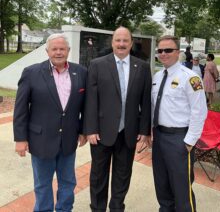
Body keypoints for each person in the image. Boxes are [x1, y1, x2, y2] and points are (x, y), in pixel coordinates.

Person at [13, 33, 87, 212]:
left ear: (68, 51)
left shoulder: (81, 72)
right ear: (47, 51)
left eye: (62, 49)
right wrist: (20, 139)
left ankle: (64, 209)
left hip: (69, 139)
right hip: (41, 140)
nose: (59, 52)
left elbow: (87, 104)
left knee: (68, 182)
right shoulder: (31, 72)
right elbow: (21, 108)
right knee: (43, 184)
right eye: (55, 49)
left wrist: (84, 130)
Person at [84, 26, 151, 212]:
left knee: (123, 176)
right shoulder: (97, 64)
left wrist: (144, 131)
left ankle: (116, 208)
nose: (121, 44)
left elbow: (145, 102)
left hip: (128, 133)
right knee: (98, 176)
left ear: (131, 43)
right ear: (112, 42)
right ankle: (97, 208)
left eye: (125, 41)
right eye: (118, 40)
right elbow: (91, 99)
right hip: (100, 133)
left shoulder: (143, 67)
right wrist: (90, 129)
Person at [151, 35, 207, 212]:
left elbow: (199, 111)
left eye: (168, 50)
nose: (164, 54)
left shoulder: (190, 78)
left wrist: (189, 141)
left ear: (178, 52)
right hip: (159, 137)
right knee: (162, 186)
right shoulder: (157, 76)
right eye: (160, 50)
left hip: (179, 139)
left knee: (182, 190)